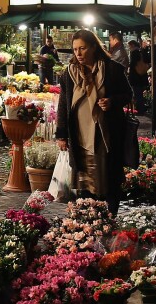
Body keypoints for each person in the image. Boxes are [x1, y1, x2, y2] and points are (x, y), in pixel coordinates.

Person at [55, 29, 133, 214]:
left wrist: (112, 101)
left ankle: (110, 215)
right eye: (75, 49)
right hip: (79, 134)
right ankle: (88, 218)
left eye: (82, 48)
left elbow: (128, 94)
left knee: (108, 176)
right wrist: (61, 134)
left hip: (105, 134)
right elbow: (63, 105)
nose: (78, 54)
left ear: (93, 47)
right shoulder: (69, 74)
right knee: (83, 179)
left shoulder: (112, 69)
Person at [127, 39, 150, 117]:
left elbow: (133, 64)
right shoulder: (141, 52)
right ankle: (141, 109)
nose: (129, 47)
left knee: (137, 94)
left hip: (136, 77)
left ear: (133, 45)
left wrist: (129, 67)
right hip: (141, 77)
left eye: (129, 46)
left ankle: (140, 110)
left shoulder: (134, 53)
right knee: (139, 94)